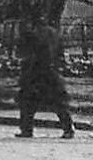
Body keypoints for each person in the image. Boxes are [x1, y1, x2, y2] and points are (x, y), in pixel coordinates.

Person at [16, 7, 75, 138]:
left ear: (32, 20)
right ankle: (68, 128)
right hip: (52, 72)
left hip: (35, 73)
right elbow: (60, 53)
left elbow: (25, 54)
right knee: (59, 102)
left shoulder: (31, 34)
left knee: (27, 101)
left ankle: (27, 129)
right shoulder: (54, 33)